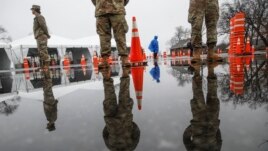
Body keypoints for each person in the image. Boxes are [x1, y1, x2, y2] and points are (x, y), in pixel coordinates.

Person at [183, 62, 222, 151]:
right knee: (202, 94)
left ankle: (204, 70)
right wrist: (194, 127)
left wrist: (215, 127)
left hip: (209, 121)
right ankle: (205, 70)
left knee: (204, 94)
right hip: (205, 122)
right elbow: (186, 138)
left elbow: (186, 139)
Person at [101, 68, 140, 151]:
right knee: (109, 97)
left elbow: (137, 132)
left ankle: (125, 71)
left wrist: (129, 123)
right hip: (111, 122)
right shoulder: (111, 147)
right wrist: (110, 125)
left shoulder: (131, 147)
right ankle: (106, 76)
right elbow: (105, 134)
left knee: (124, 94)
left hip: (125, 120)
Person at [91, 0, 131, 69]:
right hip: (103, 10)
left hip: (115, 9)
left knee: (120, 34)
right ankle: (105, 59)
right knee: (103, 36)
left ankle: (124, 57)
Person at [31, 5, 51, 70]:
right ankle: (43, 66)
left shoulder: (40, 17)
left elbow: (44, 26)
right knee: (41, 52)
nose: (32, 11)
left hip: (41, 36)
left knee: (43, 51)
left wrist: (47, 34)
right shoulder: (36, 18)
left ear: (36, 9)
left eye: (32, 9)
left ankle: (46, 67)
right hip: (38, 36)